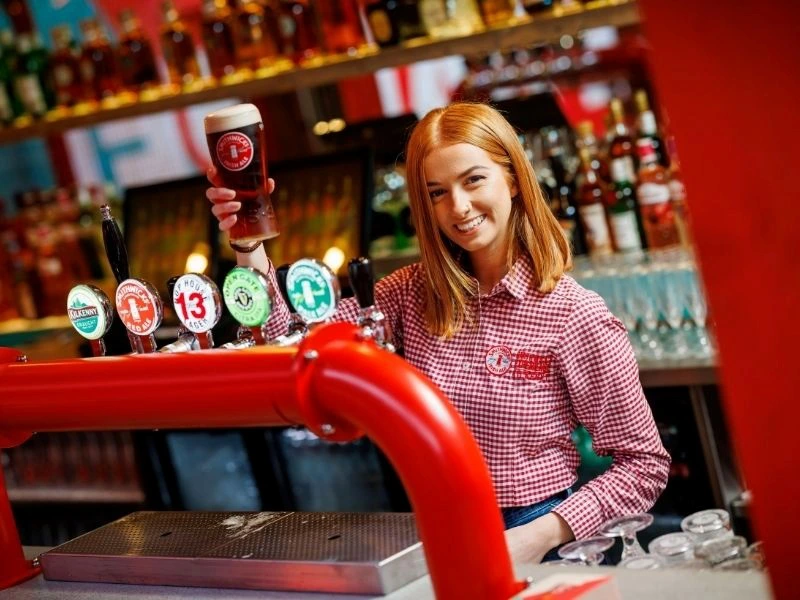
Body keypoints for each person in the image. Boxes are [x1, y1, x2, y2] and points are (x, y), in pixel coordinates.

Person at [207, 102, 670, 563]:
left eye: (473, 180)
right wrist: (248, 242)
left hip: (541, 538)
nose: (459, 207)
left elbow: (644, 465)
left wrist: (542, 535)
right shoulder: (409, 294)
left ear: (511, 177)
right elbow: (292, 342)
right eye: (436, 193)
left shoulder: (574, 314)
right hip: (432, 530)